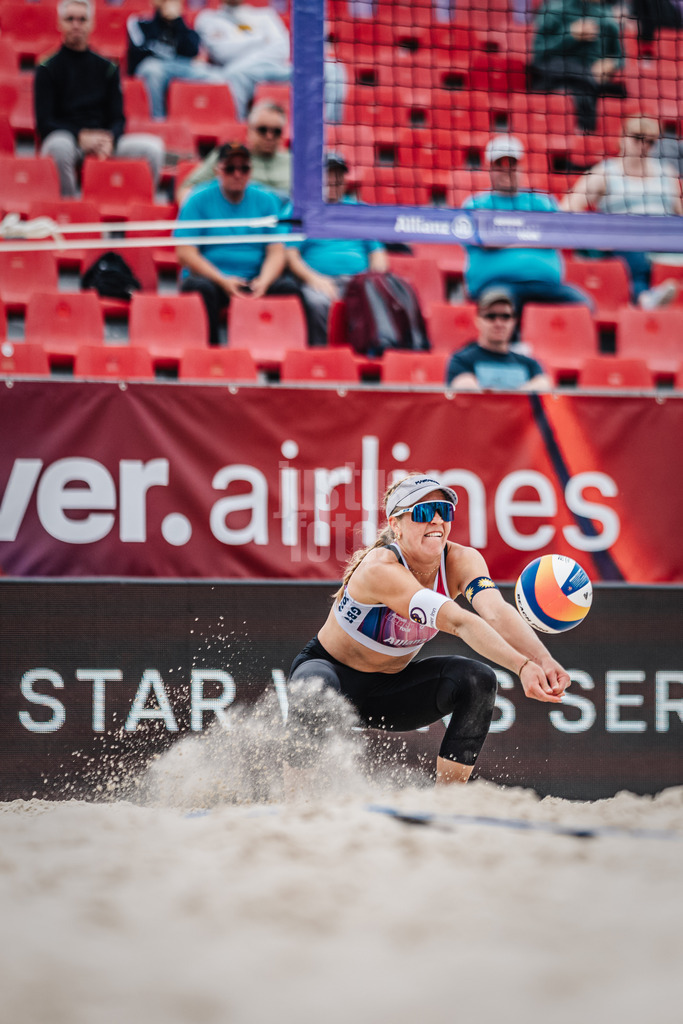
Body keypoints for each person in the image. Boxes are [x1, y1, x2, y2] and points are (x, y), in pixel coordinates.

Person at [288, 474, 570, 785]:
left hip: (390, 691)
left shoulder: (462, 560)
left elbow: (496, 612)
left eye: (444, 511)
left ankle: (447, 803)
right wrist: (522, 666)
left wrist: (543, 661)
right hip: (334, 675)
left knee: (478, 680)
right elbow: (460, 622)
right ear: (396, 524)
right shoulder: (380, 569)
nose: (436, 520)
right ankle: (295, 802)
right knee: (313, 687)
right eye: (423, 512)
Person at [35, 0, 165, 198]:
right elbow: (45, 122)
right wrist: (81, 135)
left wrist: (109, 139)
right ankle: (68, 211)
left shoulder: (108, 68)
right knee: (57, 146)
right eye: (70, 19)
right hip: (69, 138)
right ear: (60, 23)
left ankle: (137, 210)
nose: (76, 24)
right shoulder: (47, 68)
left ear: (91, 24)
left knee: (153, 148)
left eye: (82, 19)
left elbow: (119, 118)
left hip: (105, 140)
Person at [173, 141, 288, 346]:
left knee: (288, 288)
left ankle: (282, 365)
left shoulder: (267, 200)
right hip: (213, 279)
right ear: (218, 170)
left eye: (244, 168)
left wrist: (264, 281)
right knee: (198, 287)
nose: (237, 174)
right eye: (230, 168)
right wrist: (223, 281)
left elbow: (276, 251)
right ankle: (211, 357)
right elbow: (185, 253)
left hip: (254, 280)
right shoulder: (197, 199)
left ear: (251, 171)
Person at [561, 115, 682, 307]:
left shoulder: (667, 173)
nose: (643, 146)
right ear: (622, 138)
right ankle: (645, 298)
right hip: (624, 241)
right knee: (634, 252)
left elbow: (679, 214)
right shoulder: (605, 173)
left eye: (650, 142)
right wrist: (596, 234)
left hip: (664, 242)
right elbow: (568, 207)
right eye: (637, 138)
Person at [462, 135, 591, 316]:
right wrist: (533, 235)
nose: (507, 170)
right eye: (500, 165)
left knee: (583, 305)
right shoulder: (475, 205)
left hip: (547, 285)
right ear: (489, 168)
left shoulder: (542, 202)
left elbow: (557, 237)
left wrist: (506, 236)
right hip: (497, 286)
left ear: (521, 167)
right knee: (502, 308)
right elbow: (487, 240)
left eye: (512, 164)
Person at [285, 152, 388, 346]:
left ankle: (368, 353)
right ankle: (322, 357)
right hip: (318, 280)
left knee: (376, 299)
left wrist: (370, 280)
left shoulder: (358, 209)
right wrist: (315, 279)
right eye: (328, 174)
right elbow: (290, 255)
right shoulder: (300, 209)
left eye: (338, 175)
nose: (333, 180)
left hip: (356, 281)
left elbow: (378, 254)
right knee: (318, 303)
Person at [530, 0, 626, 133]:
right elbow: (538, 54)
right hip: (558, 79)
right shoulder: (555, 10)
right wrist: (571, 36)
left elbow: (619, 57)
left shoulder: (607, 16)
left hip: (593, 83)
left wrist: (609, 64)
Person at [176, 101, 291, 206]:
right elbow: (187, 190)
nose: (269, 136)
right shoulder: (229, 156)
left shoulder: (293, 161)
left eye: (276, 131)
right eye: (262, 130)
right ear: (248, 130)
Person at [194, 0, 290, 120]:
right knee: (234, 76)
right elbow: (222, 52)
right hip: (236, 74)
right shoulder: (208, 18)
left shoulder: (265, 14)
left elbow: (282, 50)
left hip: (272, 68)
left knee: (315, 73)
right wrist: (261, 40)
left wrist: (243, 57)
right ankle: (240, 127)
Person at [126, 0, 223, 119]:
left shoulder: (182, 24)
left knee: (216, 77)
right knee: (154, 70)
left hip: (177, 65)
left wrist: (177, 21)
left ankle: (200, 119)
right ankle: (158, 121)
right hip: (149, 65)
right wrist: (160, 18)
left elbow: (191, 51)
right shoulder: (139, 21)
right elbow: (139, 51)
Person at [445, 288, 553, 391]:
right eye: (491, 316)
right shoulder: (461, 361)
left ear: (514, 321)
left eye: (505, 316)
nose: (498, 323)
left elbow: (544, 385)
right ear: (477, 320)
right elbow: (466, 393)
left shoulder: (530, 364)